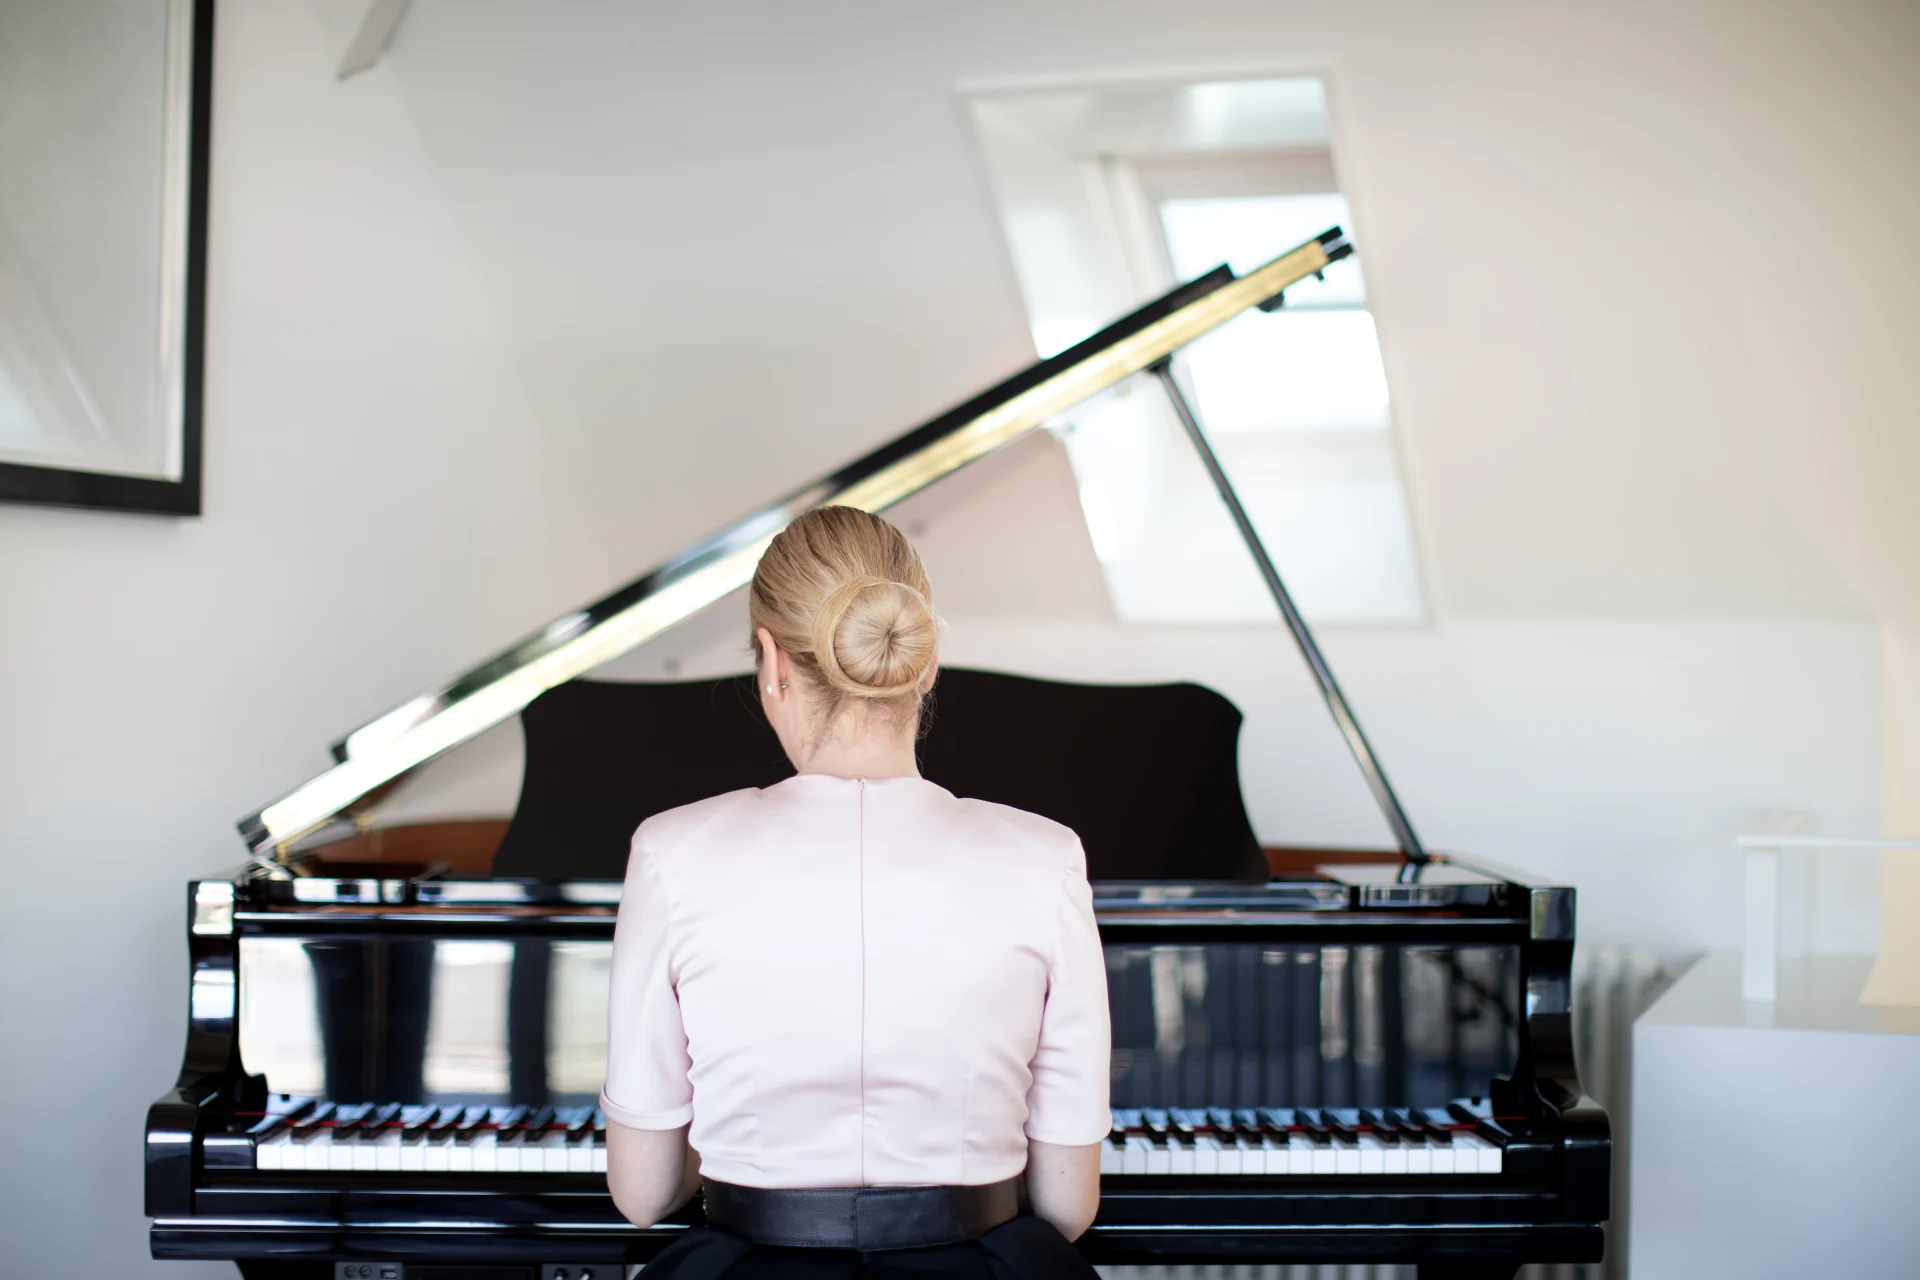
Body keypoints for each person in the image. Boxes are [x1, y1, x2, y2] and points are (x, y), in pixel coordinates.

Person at [600, 505, 1111, 1280]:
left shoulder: (669, 852)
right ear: (925, 660)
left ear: (772, 663)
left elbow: (642, 1194)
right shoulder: (1047, 857)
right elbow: (1067, 1207)